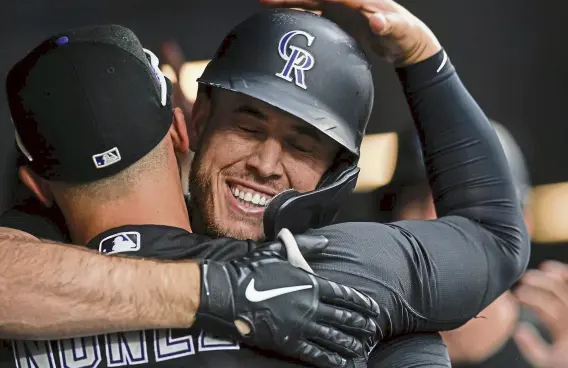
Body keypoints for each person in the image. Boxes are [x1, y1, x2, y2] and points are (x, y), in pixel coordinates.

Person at [0, 0, 529, 366]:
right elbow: (493, 235)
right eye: (246, 126)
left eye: (302, 144)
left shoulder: (349, 283)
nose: (266, 163)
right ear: (192, 124)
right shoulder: (329, 280)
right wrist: (422, 60)